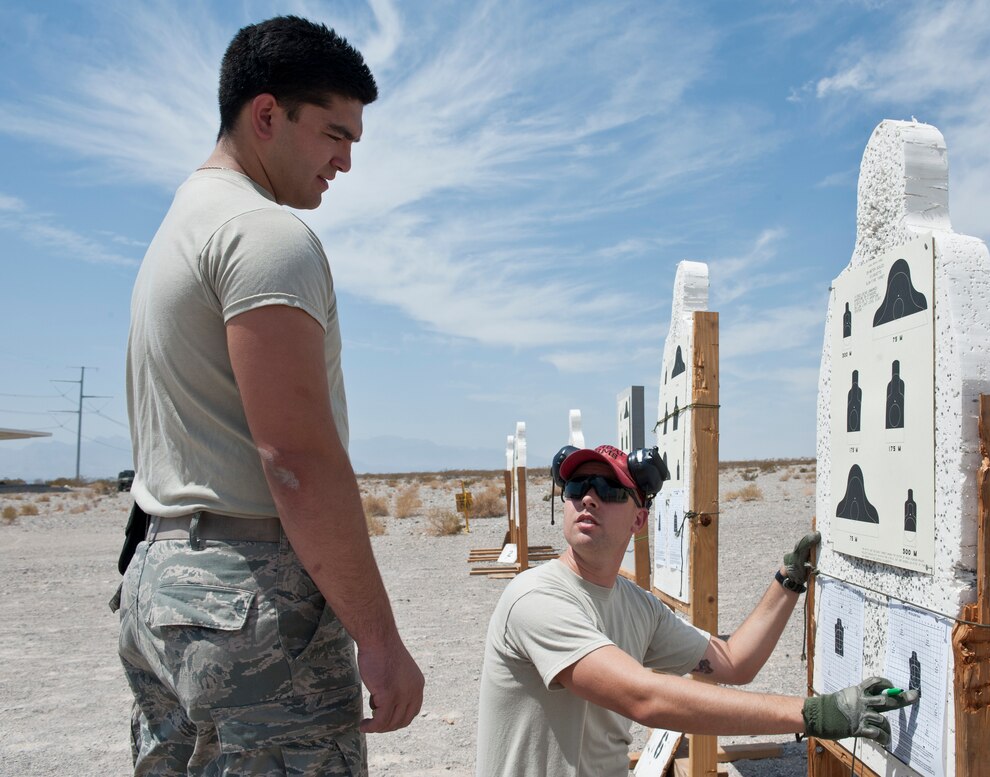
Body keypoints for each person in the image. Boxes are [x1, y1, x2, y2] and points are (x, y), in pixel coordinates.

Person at [118, 16, 424, 775]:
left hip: (163, 582)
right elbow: (293, 458)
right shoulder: (264, 236)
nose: (346, 161)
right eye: (333, 133)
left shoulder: (179, 225)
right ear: (266, 115)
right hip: (250, 603)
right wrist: (380, 642)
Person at [476, 444, 918, 776]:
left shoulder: (637, 607)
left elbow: (732, 662)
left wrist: (788, 583)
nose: (588, 498)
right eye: (577, 487)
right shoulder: (534, 598)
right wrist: (813, 714)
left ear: (638, 518)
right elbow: (644, 697)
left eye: (609, 489)